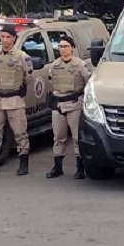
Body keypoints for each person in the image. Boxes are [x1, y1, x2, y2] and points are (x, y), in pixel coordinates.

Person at [0, 24, 33, 176]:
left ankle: (23, 163)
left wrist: (20, 89)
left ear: (14, 39)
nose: (5, 40)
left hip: (14, 100)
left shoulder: (22, 57)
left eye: (8, 37)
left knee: (20, 133)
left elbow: (29, 77)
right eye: (3, 36)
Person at [45, 35, 91, 180]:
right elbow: (52, 81)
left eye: (65, 46)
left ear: (72, 48)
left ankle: (80, 168)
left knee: (77, 138)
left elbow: (88, 82)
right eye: (60, 46)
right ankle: (57, 166)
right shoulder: (54, 65)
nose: (62, 49)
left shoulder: (80, 65)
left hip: (74, 104)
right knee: (58, 136)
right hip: (58, 105)